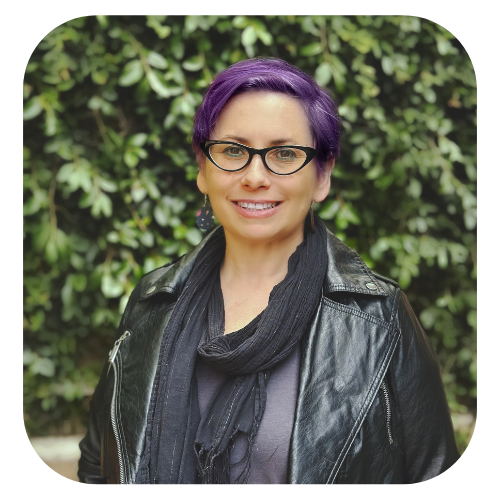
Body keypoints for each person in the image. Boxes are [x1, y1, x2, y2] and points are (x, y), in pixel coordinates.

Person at [78, 57, 460, 484]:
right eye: (233, 151)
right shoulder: (153, 303)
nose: (254, 176)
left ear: (322, 174)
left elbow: (433, 473)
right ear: (203, 168)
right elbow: (99, 465)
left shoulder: (377, 316)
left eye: (284, 154)